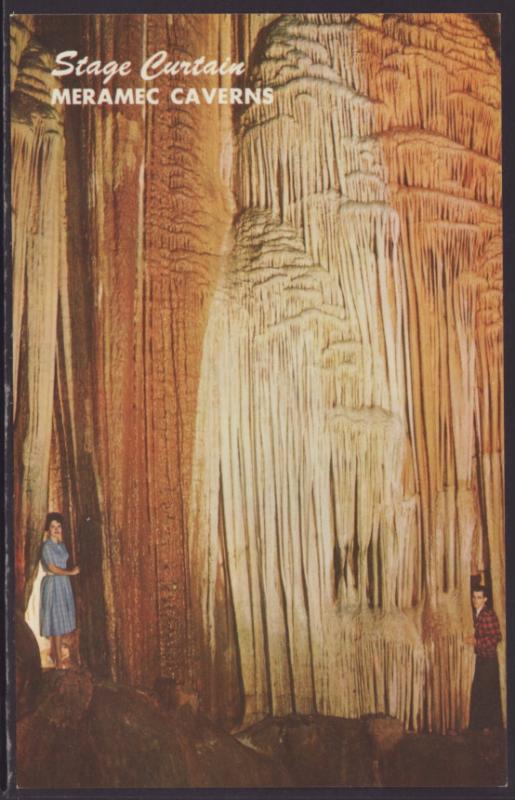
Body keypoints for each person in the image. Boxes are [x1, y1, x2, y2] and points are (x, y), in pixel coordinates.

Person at [40, 512, 80, 669]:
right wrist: (71, 572)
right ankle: (58, 663)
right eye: (53, 526)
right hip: (54, 585)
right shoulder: (47, 546)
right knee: (55, 625)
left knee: (61, 623)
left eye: (58, 526)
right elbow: (52, 567)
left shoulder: (61, 545)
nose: (56, 529)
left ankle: (54, 654)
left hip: (63, 585)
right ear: (48, 530)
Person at [467, 586, 502, 733]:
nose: (476, 600)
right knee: (481, 691)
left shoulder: (487, 614)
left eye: (479, 597)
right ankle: (483, 725)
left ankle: (487, 726)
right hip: (483, 659)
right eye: (474, 597)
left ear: (485, 599)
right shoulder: (478, 613)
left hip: (488, 660)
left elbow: (496, 638)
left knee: (486, 692)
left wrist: (476, 642)